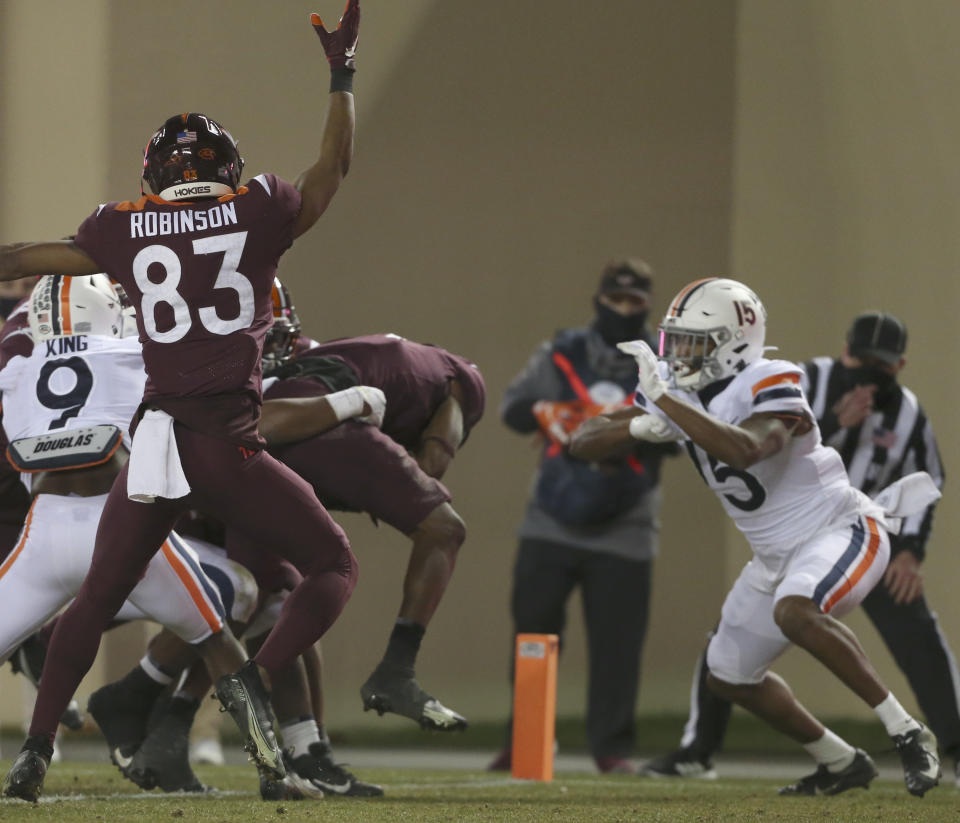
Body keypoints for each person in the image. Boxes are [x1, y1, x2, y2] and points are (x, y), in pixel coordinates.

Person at [0, 2, 362, 802]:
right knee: (331, 563)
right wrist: (340, 76)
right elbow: (329, 172)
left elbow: (26, 256)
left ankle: (30, 758)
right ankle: (261, 732)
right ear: (227, 169)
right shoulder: (257, 207)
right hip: (227, 444)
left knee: (95, 600)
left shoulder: (122, 228)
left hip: (156, 444)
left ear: (152, 177)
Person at [570, 277, 942, 797]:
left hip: (840, 529)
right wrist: (637, 426)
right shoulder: (678, 392)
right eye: (674, 340)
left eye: (693, 343)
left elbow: (748, 449)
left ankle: (907, 731)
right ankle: (839, 761)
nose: (678, 355)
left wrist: (671, 408)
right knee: (727, 675)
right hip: (774, 556)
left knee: (796, 611)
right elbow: (581, 440)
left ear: (733, 343)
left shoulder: (771, 378)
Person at [489, 259, 677, 774]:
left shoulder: (667, 363)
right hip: (550, 517)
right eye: (614, 301)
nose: (622, 310)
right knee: (532, 634)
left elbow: (687, 432)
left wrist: (631, 429)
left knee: (618, 646)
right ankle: (526, 737)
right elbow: (511, 408)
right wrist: (549, 413)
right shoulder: (563, 351)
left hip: (628, 523)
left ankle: (612, 749)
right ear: (598, 300)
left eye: (634, 303)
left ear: (647, 306)